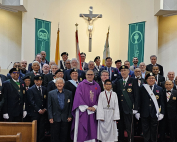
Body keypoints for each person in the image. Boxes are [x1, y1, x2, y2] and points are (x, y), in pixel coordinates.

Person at [71, 70, 101, 142]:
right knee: (82, 129)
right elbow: (78, 97)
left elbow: (100, 98)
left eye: (91, 74)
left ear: (94, 75)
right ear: (85, 75)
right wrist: (87, 107)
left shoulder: (97, 85)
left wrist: (95, 107)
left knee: (92, 129)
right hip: (83, 111)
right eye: (88, 74)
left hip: (93, 111)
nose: (90, 76)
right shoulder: (81, 85)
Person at [135, 73, 165, 142]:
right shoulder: (142, 88)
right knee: (145, 130)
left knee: (154, 131)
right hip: (144, 113)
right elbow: (138, 101)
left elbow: (162, 102)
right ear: (146, 80)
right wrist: (137, 111)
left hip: (155, 113)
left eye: (153, 78)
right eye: (149, 78)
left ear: (155, 80)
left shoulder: (159, 89)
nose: (151, 79)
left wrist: (162, 113)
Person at [116, 65, 139, 142]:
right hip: (120, 109)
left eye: (125, 70)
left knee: (130, 128)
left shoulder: (133, 81)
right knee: (121, 128)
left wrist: (136, 108)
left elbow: (136, 95)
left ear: (128, 71)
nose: (123, 72)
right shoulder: (118, 82)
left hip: (129, 108)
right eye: (121, 71)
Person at [48, 78, 73, 142]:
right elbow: (49, 106)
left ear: (64, 84)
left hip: (65, 118)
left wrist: (70, 115)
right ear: (55, 84)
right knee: (55, 136)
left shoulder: (69, 93)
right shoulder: (51, 93)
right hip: (55, 118)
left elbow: (71, 106)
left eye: (61, 83)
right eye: (58, 83)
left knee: (64, 136)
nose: (59, 85)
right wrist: (50, 117)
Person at [27, 75, 47, 142]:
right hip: (34, 112)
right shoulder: (31, 89)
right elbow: (31, 101)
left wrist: (45, 108)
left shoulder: (44, 89)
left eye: (40, 80)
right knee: (35, 128)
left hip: (43, 112)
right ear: (34, 81)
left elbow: (46, 100)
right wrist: (38, 109)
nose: (39, 82)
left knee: (42, 129)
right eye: (37, 80)